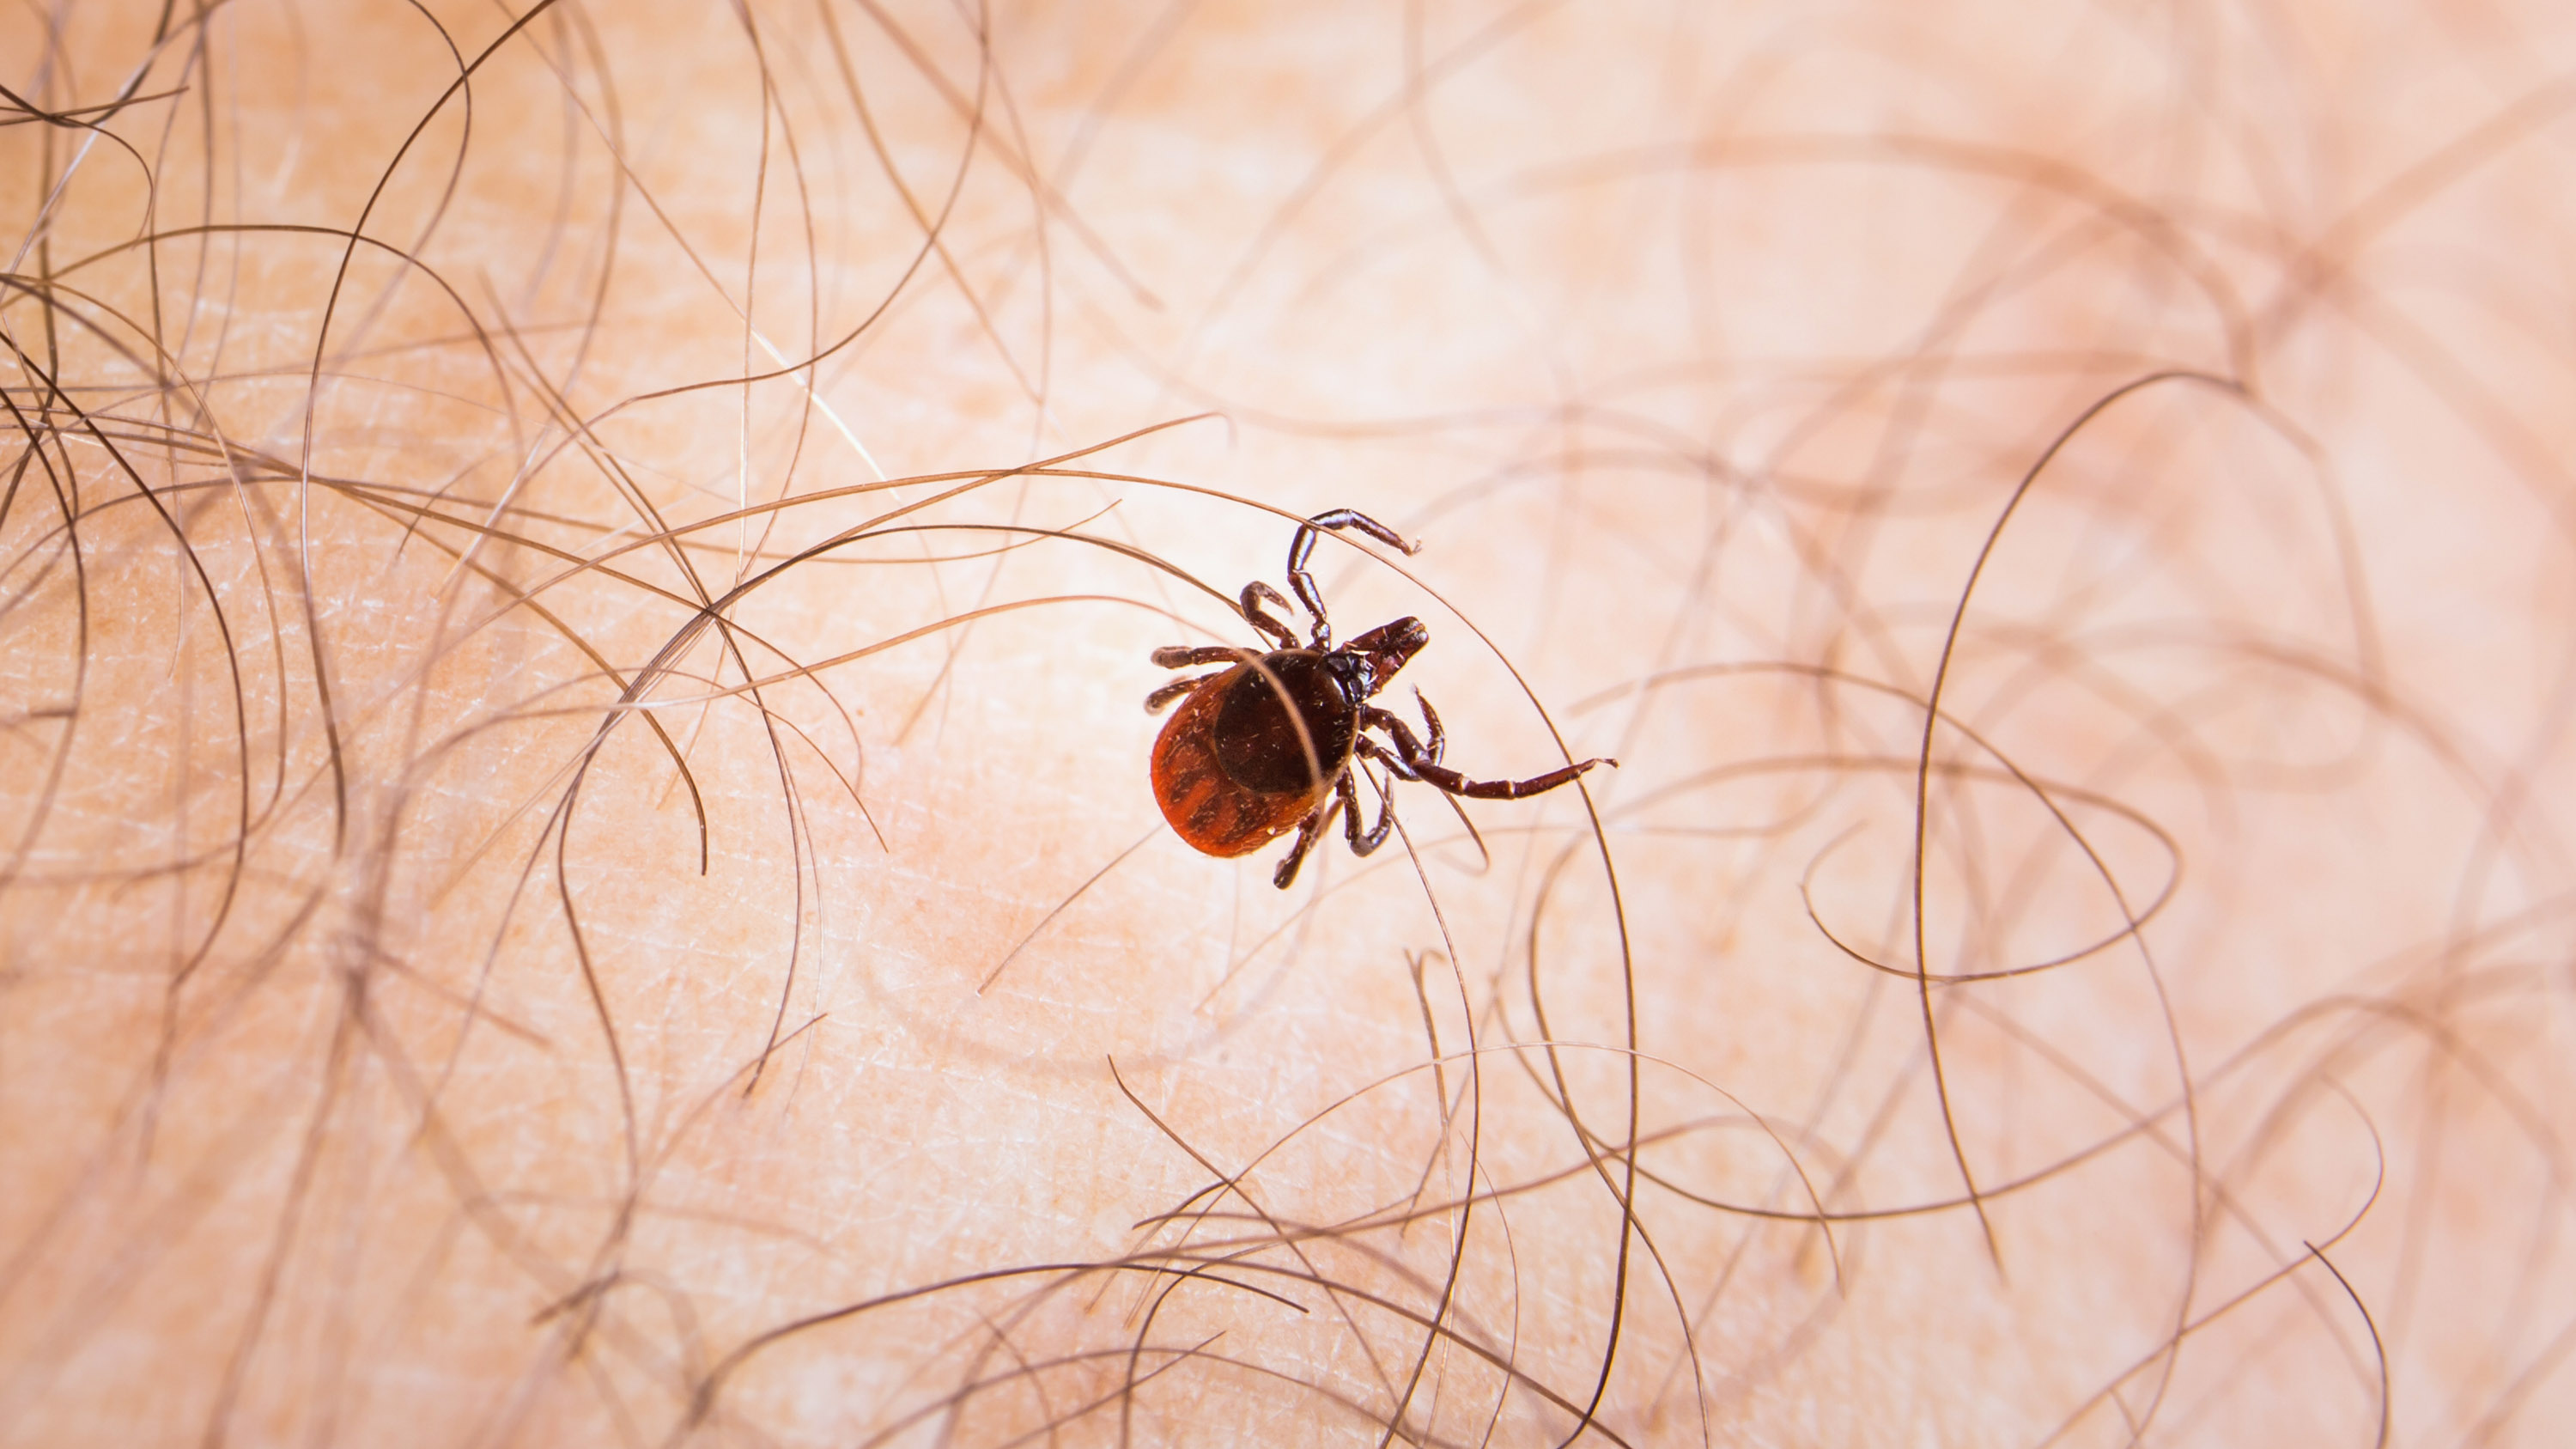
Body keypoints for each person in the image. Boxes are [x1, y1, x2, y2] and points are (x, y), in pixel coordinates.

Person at [2, 0, 2565, 1442]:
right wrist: (1406, 763)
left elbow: (1279, 687)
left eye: (1315, 685)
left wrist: (1322, 681)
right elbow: (1335, 763)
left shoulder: (1259, 704)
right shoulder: (1317, 753)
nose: (1329, 683)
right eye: (1318, 677)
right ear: (1293, 689)